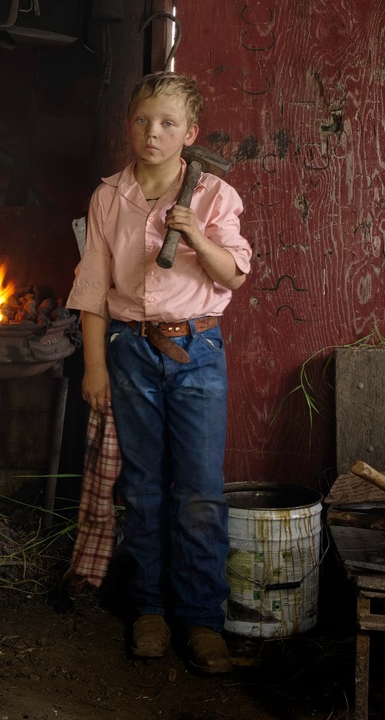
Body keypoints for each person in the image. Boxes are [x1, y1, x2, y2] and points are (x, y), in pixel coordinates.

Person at [66, 71, 251, 674]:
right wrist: (94, 365)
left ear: (191, 134)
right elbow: (93, 288)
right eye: (144, 120)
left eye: (169, 124)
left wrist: (194, 231)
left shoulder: (214, 196)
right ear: (129, 125)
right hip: (130, 351)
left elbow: (234, 277)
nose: (154, 132)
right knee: (142, 488)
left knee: (198, 491)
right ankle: (148, 611)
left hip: (197, 351)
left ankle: (201, 620)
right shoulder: (107, 197)